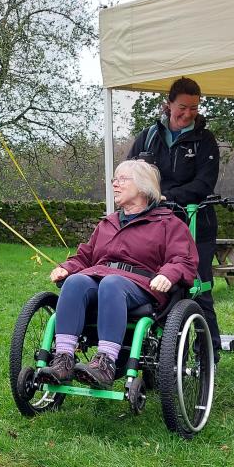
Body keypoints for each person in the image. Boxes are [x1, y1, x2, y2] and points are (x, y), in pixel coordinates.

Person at [42, 160, 198, 388]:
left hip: (143, 284)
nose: (115, 184)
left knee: (112, 283)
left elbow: (183, 259)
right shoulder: (108, 223)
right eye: (114, 179)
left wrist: (169, 274)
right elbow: (86, 256)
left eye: (122, 179)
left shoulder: (168, 224)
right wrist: (67, 267)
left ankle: (105, 363)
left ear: (144, 187)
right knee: (75, 282)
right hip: (101, 277)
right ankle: (63, 360)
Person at [125, 76, 223, 358]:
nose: (188, 113)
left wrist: (165, 196)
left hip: (196, 226)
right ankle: (161, 355)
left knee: (197, 288)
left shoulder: (205, 140)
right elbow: (132, 172)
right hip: (152, 226)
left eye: (194, 108)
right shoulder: (148, 136)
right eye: (183, 107)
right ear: (168, 105)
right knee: (156, 285)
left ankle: (208, 354)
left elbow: (205, 185)